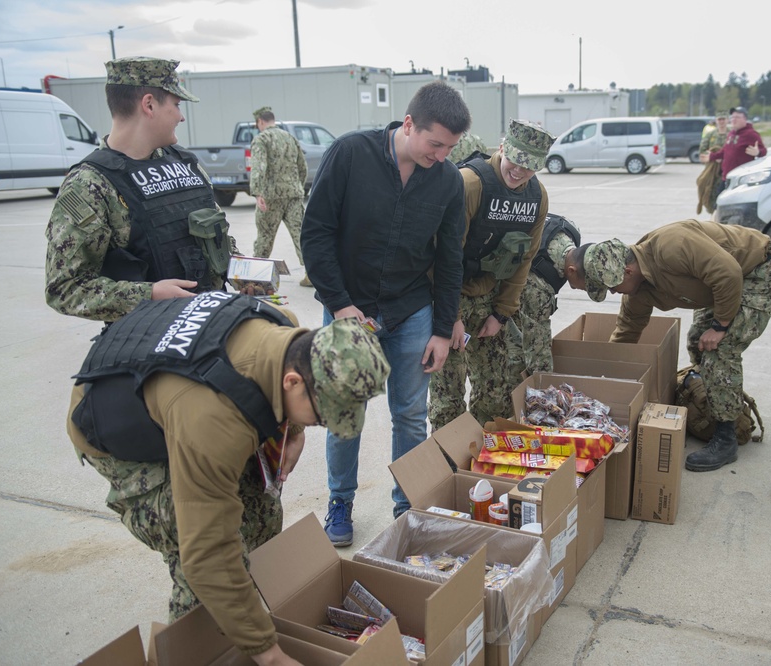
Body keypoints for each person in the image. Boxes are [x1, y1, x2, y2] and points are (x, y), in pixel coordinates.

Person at [66, 293, 389, 665]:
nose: (326, 424)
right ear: (293, 381)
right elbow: (207, 554)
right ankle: (193, 651)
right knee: (200, 565)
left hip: (177, 393)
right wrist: (269, 654)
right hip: (117, 429)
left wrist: (295, 429)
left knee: (262, 515)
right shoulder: (212, 424)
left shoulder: (284, 327)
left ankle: (241, 618)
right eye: (324, 414)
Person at [301, 81, 470, 545]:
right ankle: (340, 503)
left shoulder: (448, 180)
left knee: (411, 415)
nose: (441, 155)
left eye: (450, 148)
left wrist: (441, 328)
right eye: (435, 144)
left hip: (411, 309)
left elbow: (450, 259)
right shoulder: (351, 154)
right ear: (409, 124)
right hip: (347, 311)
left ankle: (407, 505)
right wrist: (338, 303)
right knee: (344, 413)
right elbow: (315, 232)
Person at [566, 220, 771, 471]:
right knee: (697, 341)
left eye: (612, 287)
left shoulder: (672, 245)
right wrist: (606, 379)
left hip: (758, 271)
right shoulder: (636, 289)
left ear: (627, 272)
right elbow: (627, 331)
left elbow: (728, 273)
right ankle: (714, 403)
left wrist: (720, 326)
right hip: (718, 285)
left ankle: (726, 437)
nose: (614, 293)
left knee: (720, 349)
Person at [45, 57, 233, 323]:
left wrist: (239, 271)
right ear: (149, 105)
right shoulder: (90, 185)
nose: (181, 117)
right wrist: (149, 295)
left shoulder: (186, 163)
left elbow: (217, 238)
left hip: (209, 322)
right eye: (177, 105)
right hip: (149, 337)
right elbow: (63, 288)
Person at [428, 119, 555, 430]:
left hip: (489, 298)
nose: (520, 172)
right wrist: (451, 316)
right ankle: (446, 466)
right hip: (447, 296)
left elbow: (524, 259)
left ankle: (482, 457)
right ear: (501, 148)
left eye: (530, 166)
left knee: (495, 391)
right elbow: (441, 256)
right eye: (515, 160)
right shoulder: (470, 184)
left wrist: (500, 313)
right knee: (449, 395)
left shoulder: (537, 197)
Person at [505, 213, 581, 381]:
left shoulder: (571, 239)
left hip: (514, 279)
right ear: (572, 271)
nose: (579, 290)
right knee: (511, 362)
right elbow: (537, 349)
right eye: (585, 286)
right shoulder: (539, 286)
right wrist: (546, 391)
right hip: (489, 292)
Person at [249, 106, 311, 287]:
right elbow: (303, 166)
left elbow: (259, 167)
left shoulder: (261, 139)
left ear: (260, 122)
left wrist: (257, 192)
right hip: (293, 195)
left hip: (271, 197)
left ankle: (256, 278)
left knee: (265, 236)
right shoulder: (290, 137)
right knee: (301, 236)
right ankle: (311, 274)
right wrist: (297, 186)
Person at [708, 106, 766, 185]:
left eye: (737, 117)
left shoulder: (751, 134)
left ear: (745, 119)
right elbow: (725, 151)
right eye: (732, 117)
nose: (734, 119)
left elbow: (763, 151)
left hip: (739, 180)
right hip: (726, 177)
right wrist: (712, 156)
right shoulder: (731, 133)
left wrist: (758, 152)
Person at [696, 111, 729, 214]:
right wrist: (712, 155)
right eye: (719, 119)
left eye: (723, 119)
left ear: (727, 120)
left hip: (727, 170)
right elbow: (702, 152)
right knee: (706, 188)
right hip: (712, 171)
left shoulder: (732, 134)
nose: (722, 122)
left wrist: (723, 157)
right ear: (716, 121)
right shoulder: (710, 135)